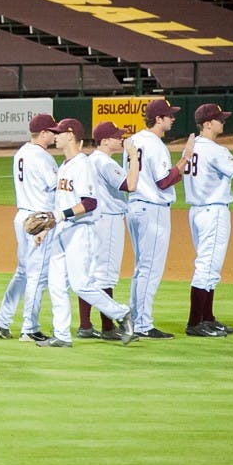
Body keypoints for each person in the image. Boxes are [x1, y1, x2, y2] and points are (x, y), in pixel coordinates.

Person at [35, 118, 137, 348]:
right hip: (62, 231)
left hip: (80, 231)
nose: (55, 136)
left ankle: (121, 313)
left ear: (70, 135)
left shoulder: (83, 165)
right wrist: (46, 226)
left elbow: (89, 203)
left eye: (58, 133)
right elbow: (60, 203)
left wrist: (59, 217)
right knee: (56, 284)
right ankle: (61, 335)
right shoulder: (65, 165)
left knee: (81, 284)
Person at [182, 104, 233, 337]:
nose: (223, 122)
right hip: (213, 212)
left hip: (196, 213)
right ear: (207, 124)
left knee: (208, 267)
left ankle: (207, 318)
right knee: (207, 268)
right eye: (219, 119)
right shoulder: (213, 150)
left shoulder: (192, 147)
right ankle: (195, 323)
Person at [126, 98, 195, 339]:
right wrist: (185, 159)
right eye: (169, 115)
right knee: (149, 268)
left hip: (134, 207)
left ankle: (136, 320)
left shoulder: (134, 140)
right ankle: (143, 324)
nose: (173, 118)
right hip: (152, 209)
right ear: (158, 119)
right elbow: (164, 181)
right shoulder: (155, 144)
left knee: (140, 268)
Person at [0, 113, 58, 342]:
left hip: (22, 217)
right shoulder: (43, 157)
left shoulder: (21, 152)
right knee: (37, 275)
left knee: (23, 272)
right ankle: (30, 328)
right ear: (44, 133)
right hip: (39, 220)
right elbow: (56, 188)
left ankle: (2, 320)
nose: (55, 135)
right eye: (52, 132)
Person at [77, 122, 139, 340]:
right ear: (104, 141)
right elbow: (130, 184)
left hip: (92, 220)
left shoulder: (89, 160)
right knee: (106, 276)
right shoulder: (104, 162)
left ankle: (86, 325)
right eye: (116, 137)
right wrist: (134, 157)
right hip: (108, 221)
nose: (120, 139)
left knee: (91, 274)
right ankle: (108, 327)